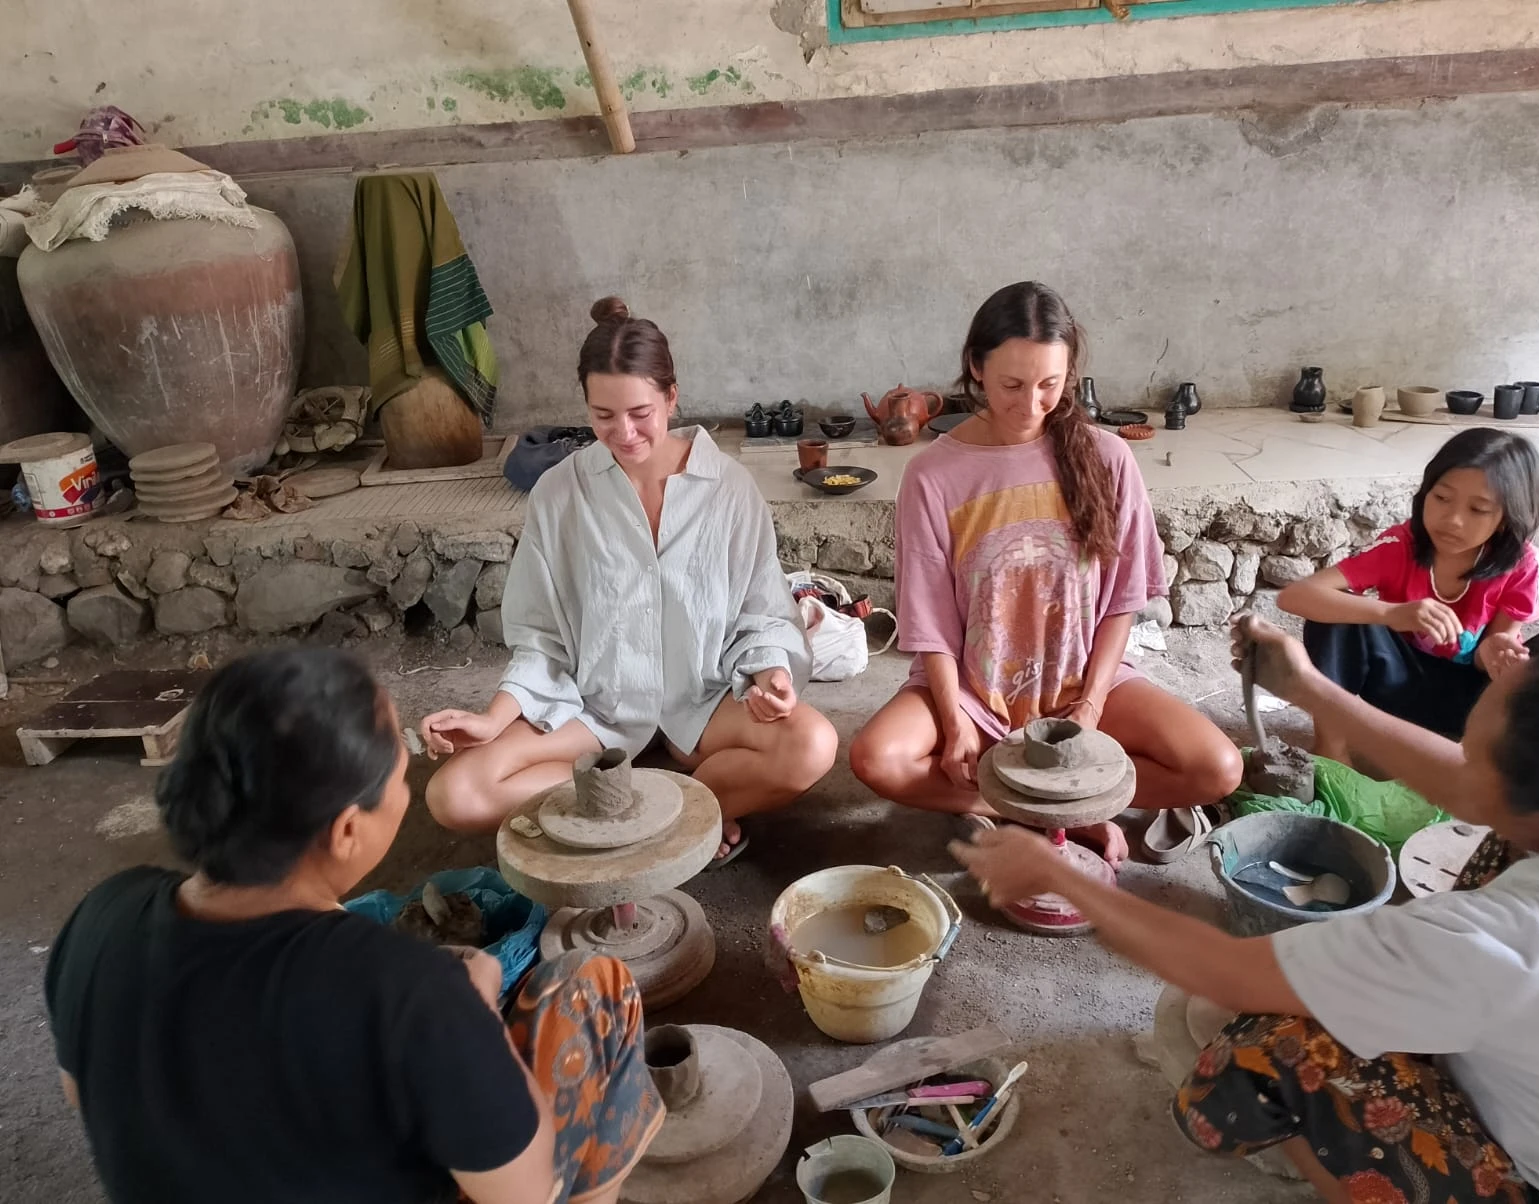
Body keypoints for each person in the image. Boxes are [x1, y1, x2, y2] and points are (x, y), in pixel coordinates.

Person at [952, 614, 1539, 1204]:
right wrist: (1309, 686)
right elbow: (1468, 783)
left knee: (1275, 1045)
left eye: (1477, 746)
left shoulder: (1504, 939)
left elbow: (1230, 972)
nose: (1461, 761)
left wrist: (1061, 879)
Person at [44, 648, 662, 1204]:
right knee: (592, 987)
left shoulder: (102, 917)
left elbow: (87, 1099)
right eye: (399, 778)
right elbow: (522, 1192)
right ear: (345, 830)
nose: (405, 791)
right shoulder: (406, 992)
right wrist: (473, 1017)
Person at [850, 282, 1242, 901]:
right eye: (1011, 384)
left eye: (1049, 385)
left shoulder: (1107, 458)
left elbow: (1121, 601)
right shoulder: (935, 474)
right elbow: (929, 619)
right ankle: (1044, 809)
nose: (1031, 403)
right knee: (877, 759)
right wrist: (954, 721)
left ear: (1069, 374)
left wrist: (1087, 709)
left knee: (1218, 768)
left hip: (1082, 678)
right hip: (977, 686)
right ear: (976, 368)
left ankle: (1053, 801)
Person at [422, 297, 837, 862]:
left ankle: (645, 814)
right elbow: (540, 632)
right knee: (455, 794)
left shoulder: (729, 488)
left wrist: (772, 676)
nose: (624, 432)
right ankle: (669, 816)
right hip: (598, 706)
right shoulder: (560, 494)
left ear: (671, 396)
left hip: (705, 700)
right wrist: (494, 717)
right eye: (603, 415)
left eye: (641, 412)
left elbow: (761, 612)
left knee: (811, 745)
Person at [1278, 428, 1539, 761]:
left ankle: (1524, 760)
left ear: (1505, 519)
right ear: (1425, 494)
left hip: (1480, 706)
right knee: (1337, 614)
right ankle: (1332, 749)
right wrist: (1391, 614)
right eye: (1442, 498)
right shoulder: (1401, 545)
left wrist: (1496, 652)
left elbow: (1492, 651)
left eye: (1478, 510)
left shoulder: (1522, 564)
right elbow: (1295, 596)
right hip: (1399, 688)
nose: (1452, 520)